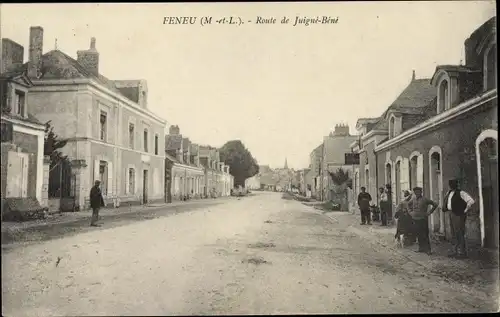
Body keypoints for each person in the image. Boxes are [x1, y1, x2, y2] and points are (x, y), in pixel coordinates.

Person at [442, 179, 475, 259]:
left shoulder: (461, 193)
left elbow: (471, 201)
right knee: (453, 233)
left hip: (459, 215)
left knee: (459, 233)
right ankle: (455, 251)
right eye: (450, 184)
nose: (451, 186)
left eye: (453, 184)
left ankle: (462, 253)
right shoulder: (449, 193)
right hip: (451, 213)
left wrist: (465, 210)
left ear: (456, 185)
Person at [408, 187, 438, 254]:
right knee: (418, 234)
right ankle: (421, 248)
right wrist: (410, 212)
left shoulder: (425, 199)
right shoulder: (413, 199)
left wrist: (429, 212)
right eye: (415, 192)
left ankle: (428, 250)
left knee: (425, 234)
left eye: (418, 192)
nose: (417, 193)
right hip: (415, 219)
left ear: (421, 192)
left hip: (423, 219)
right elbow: (408, 204)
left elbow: (435, 204)